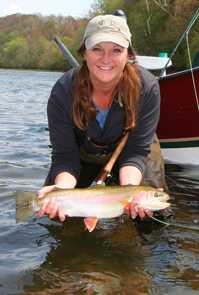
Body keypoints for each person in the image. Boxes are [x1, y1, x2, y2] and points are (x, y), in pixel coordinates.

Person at [37, 14, 168, 222]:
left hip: (134, 149)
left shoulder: (148, 88)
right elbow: (65, 156)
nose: (106, 59)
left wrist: (129, 191)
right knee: (56, 213)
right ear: (84, 53)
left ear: (128, 56)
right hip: (82, 154)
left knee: (151, 215)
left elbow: (136, 151)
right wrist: (60, 191)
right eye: (97, 49)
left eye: (116, 50)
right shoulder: (62, 92)